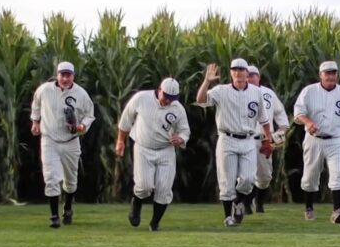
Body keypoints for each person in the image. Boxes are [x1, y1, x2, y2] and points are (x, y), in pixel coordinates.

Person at [196, 58, 272, 227]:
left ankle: (238, 204)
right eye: (234, 69)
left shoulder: (256, 92)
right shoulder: (221, 90)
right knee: (227, 180)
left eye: (241, 69)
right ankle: (228, 217)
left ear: (247, 73)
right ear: (231, 72)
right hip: (227, 138)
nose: (238, 72)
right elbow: (201, 100)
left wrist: (268, 139)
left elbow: (264, 119)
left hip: (248, 139)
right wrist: (206, 82)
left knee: (248, 179)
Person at [116, 78, 190, 231]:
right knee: (144, 186)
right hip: (143, 147)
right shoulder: (142, 98)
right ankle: (136, 203)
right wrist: (120, 141)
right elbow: (126, 119)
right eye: (166, 96)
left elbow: (185, 130)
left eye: (172, 98)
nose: (168, 100)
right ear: (159, 90)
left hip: (166, 150)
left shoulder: (177, 108)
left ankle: (155, 223)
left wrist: (181, 138)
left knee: (164, 188)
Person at [31, 61, 95, 228]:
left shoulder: (81, 94)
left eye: (68, 75)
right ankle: (54, 216)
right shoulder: (44, 90)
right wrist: (35, 122)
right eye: (62, 75)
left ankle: (67, 207)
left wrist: (81, 127)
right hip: (49, 139)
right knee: (51, 178)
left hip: (70, 141)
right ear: (57, 75)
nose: (65, 78)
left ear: (73, 76)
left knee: (71, 180)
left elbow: (90, 115)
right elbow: (36, 106)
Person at [293, 61, 340, 223]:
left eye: (333, 73)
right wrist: (308, 122)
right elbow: (298, 112)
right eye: (327, 73)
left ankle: (338, 211)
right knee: (310, 176)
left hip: (336, 139)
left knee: (339, 174)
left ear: (337, 75)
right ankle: (309, 207)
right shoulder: (309, 91)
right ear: (320, 75)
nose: (330, 76)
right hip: (314, 139)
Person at [245, 65, 288, 214]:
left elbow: (282, 119)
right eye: (248, 75)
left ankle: (259, 200)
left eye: (253, 75)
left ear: (259, 77)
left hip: (264, 139)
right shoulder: (238, 93)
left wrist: (276, 139)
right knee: (245, 173)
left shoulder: (268, 94)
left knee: (264, 176)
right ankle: (246, 203)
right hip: (245, 139)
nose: (250, 78)